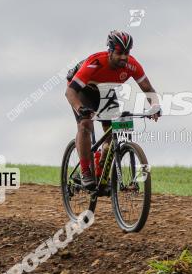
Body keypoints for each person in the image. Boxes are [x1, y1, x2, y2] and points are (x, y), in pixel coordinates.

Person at [64, 31, 160, 190]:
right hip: (82, 89)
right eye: (119, 53)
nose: (123, 57)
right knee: (85, 124)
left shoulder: (132, 65)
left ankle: (101, 172)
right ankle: (86, 171)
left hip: (105, 90)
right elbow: (70, 92)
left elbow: (148, 88)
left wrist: (155, 106)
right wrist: (80, 109)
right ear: (109, 51)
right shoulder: (95, 63)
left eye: (127, 53)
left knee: (112, 130)